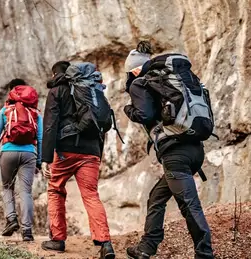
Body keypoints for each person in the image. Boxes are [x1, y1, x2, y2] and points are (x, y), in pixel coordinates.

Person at [122, 43, 215, 259]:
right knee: (156, 196)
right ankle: (147, 247)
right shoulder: (174, 78)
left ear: (134, 70)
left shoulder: (140, 82)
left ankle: (205, 254)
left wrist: (129, 110)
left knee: (190, 206)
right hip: (194, 149)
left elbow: (144, 114)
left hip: (176, 154)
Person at [41, 61, 116, 259]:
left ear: (55, 72)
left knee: (56, 189)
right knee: (91, 194)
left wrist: (46, 158)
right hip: (90, 150)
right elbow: (98, 122)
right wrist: (97, 153)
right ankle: (105, 243)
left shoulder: (57, 91)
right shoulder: (90, 88)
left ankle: (57, 240)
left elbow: (50, 125)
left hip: (65, 150)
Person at [0, 79, 43, 242]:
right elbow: (40, 137)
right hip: (29, 154)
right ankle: (27, 231)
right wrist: (40, 160)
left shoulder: (5, 110)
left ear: (12, 92)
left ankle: (11, 219)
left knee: (7, 187)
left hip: (8, 152)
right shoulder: (35, 113)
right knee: (26, 191)